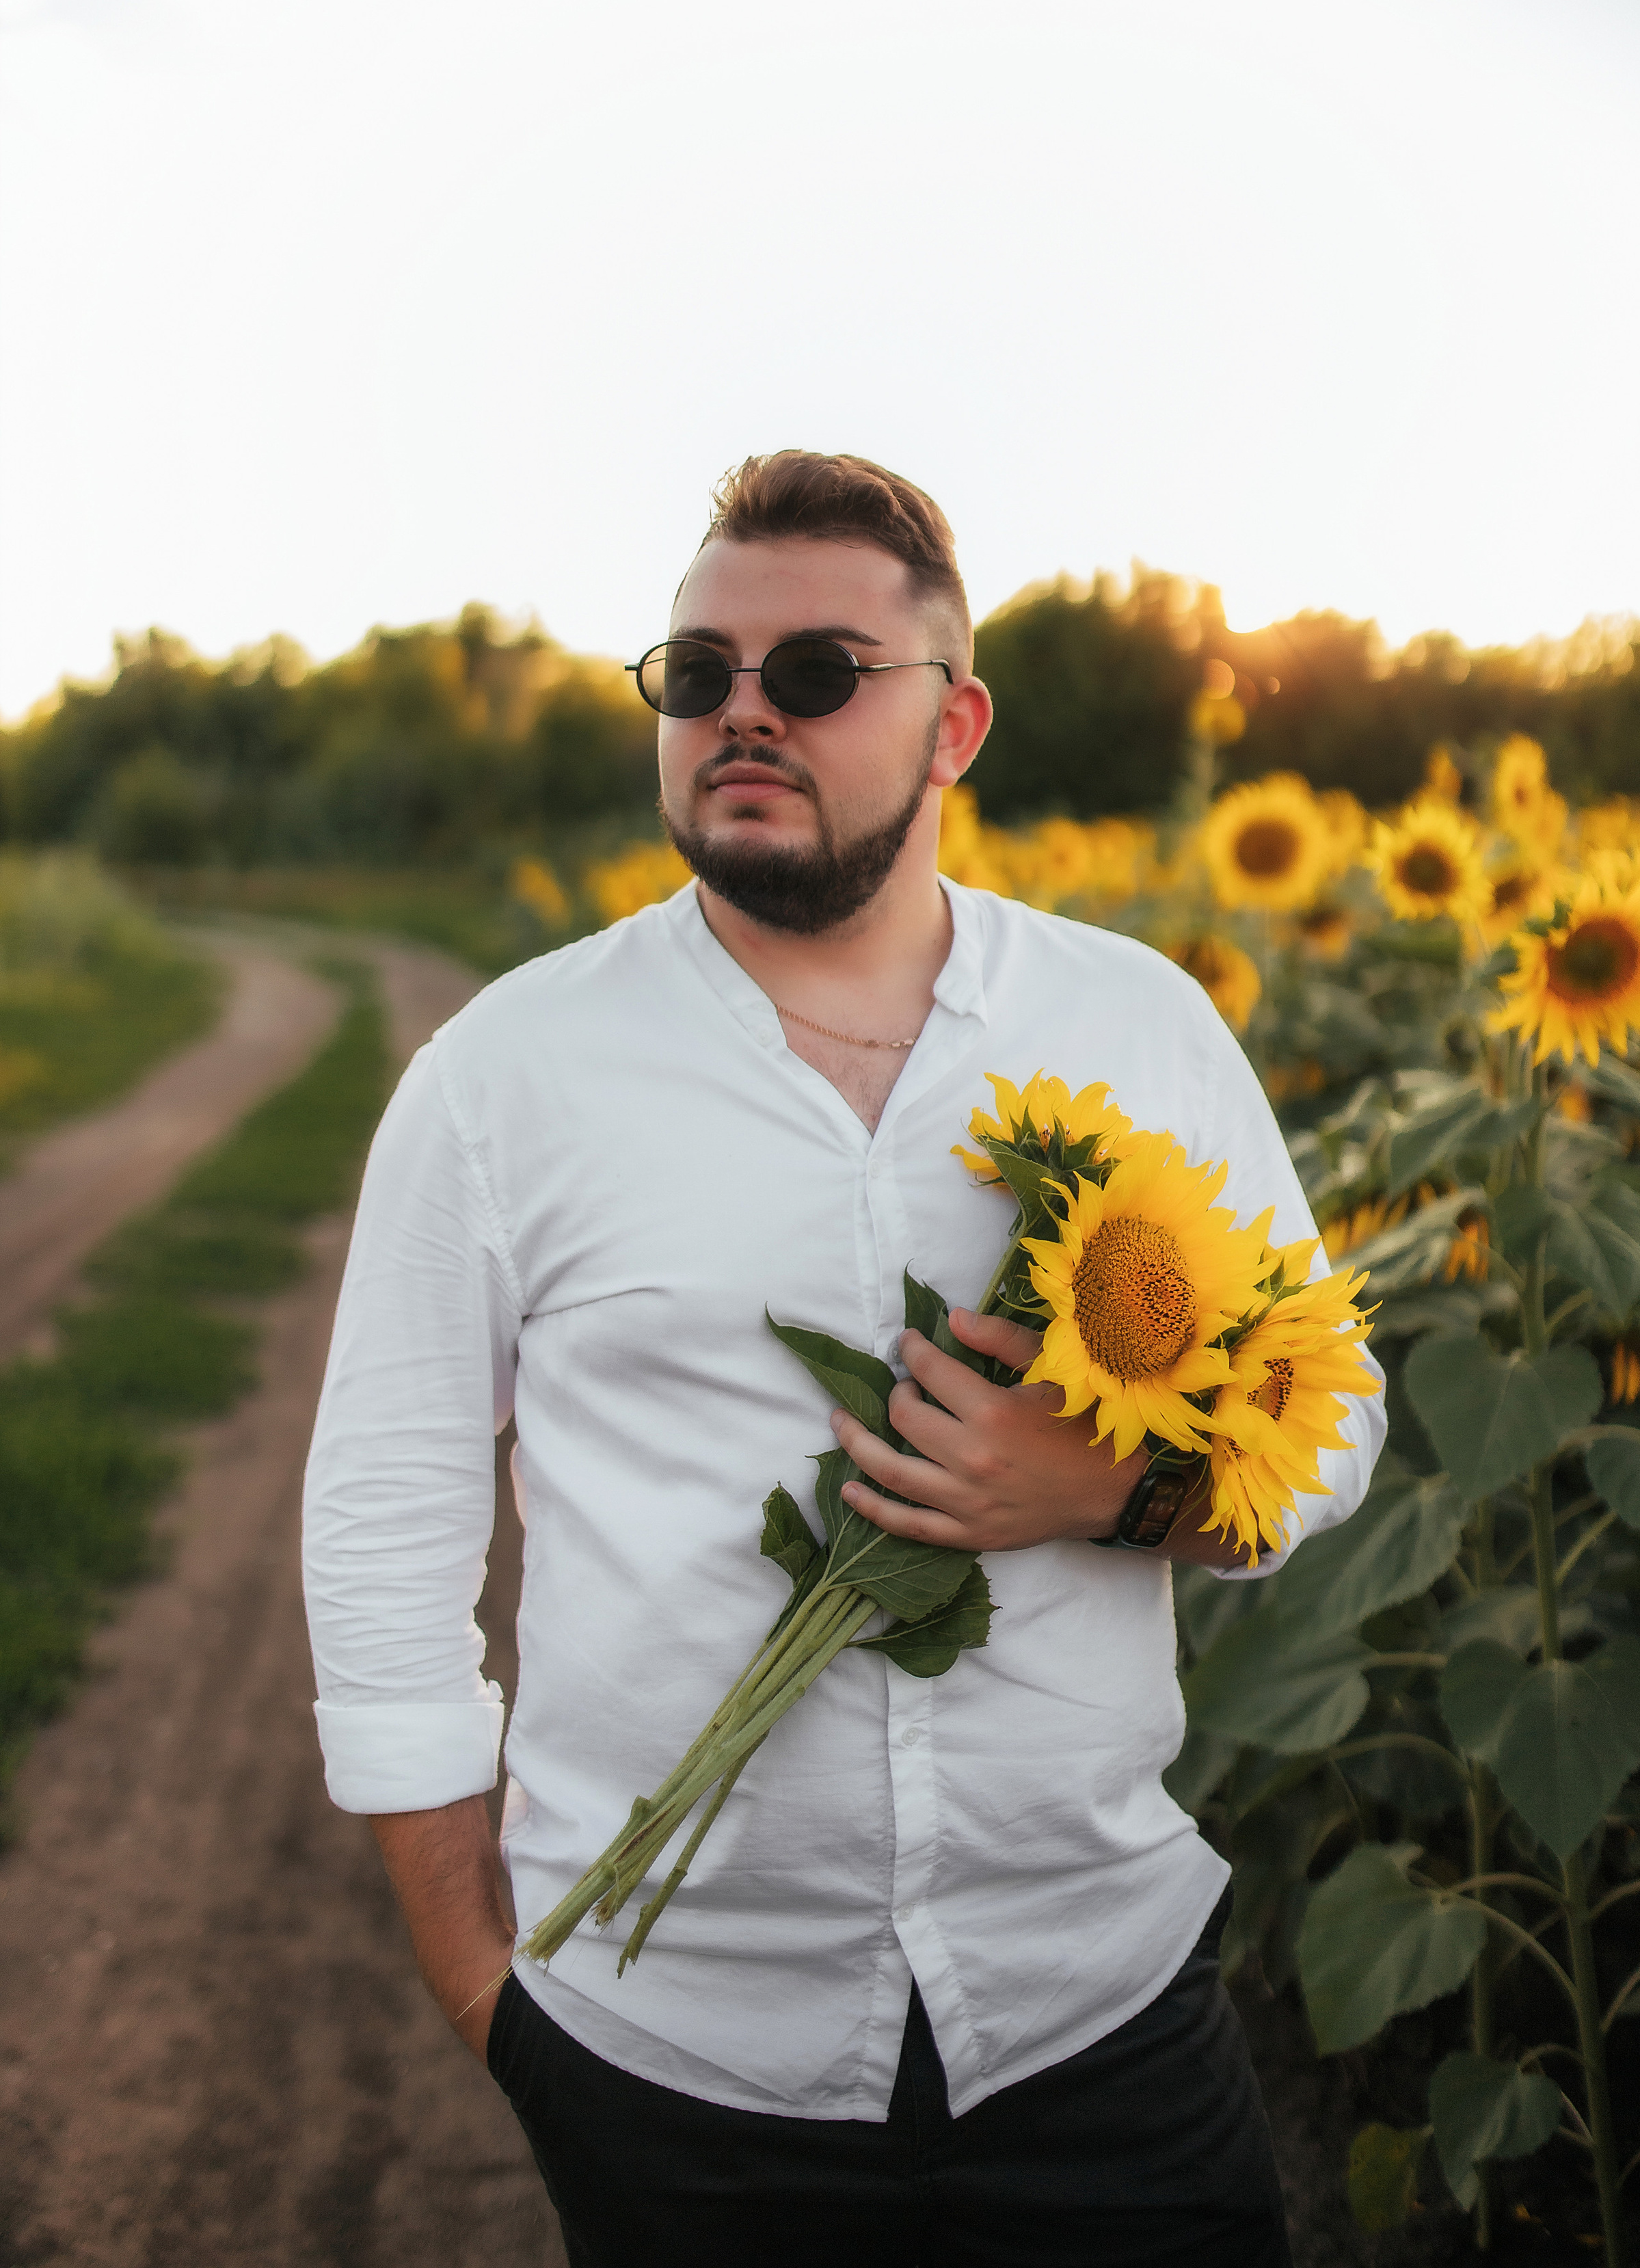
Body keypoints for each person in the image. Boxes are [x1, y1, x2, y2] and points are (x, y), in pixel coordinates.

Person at [302, 450, 1384, 2267]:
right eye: (696, 671)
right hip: (678, 2068)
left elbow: (1327, 1429)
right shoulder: (506, 1080)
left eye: (813, 674)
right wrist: (491, 1997)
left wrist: (1107, 1486)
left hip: (1098, 2017)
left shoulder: (1138, 1028)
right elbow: (387, 1541)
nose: (742, 712)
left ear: (954, 727)